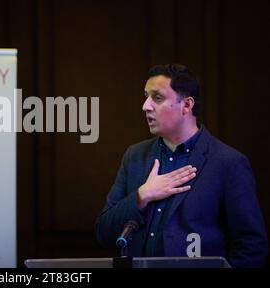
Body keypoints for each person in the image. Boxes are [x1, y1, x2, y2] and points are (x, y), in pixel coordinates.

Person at [95, 64, 268, 267]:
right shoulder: (135, 156)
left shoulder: (228, 162)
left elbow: (251, 245)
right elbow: (103, 233)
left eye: (157, 98)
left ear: (186, 105)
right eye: (146, 96)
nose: (146, 106)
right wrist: (142, 195)